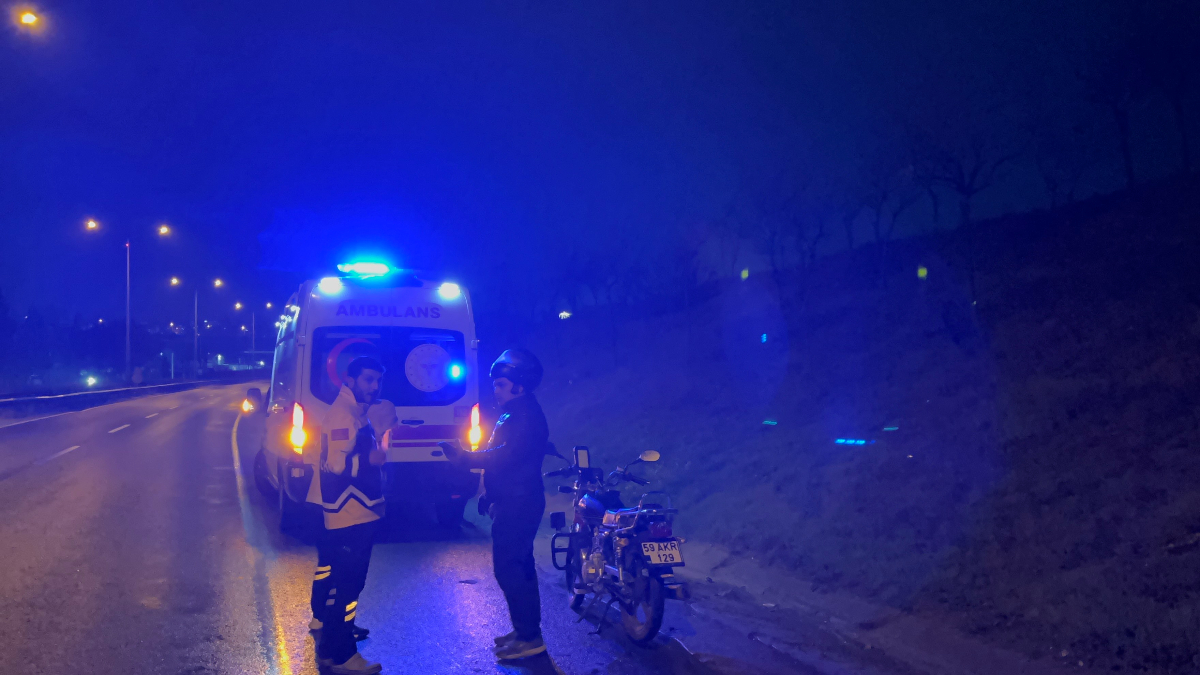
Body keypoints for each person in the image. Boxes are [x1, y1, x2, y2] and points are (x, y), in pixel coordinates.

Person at [442, 348, 550, 660]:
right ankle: (525, 630)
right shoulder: (515, 413)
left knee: (509, 569)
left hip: (520, 503)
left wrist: (465, 458)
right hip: (515, 499)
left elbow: (503, 457)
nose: (496, 390)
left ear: (520, 386)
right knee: (519, 567)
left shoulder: (524, 416)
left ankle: (530, 637)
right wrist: (490, 494)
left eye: (501, 384)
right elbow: (508, 462)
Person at [314, 356, 388, 675]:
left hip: (356, 512)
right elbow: (336, 465)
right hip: (350, 515)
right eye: (368, 379)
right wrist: (372, 459)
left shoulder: (355, 411)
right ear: (350, 380)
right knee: (348, 586)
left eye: (378, 380)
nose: (374, 386)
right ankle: (344, 655)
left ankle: (331, 650)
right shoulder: (344, 415)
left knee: (346, 585)